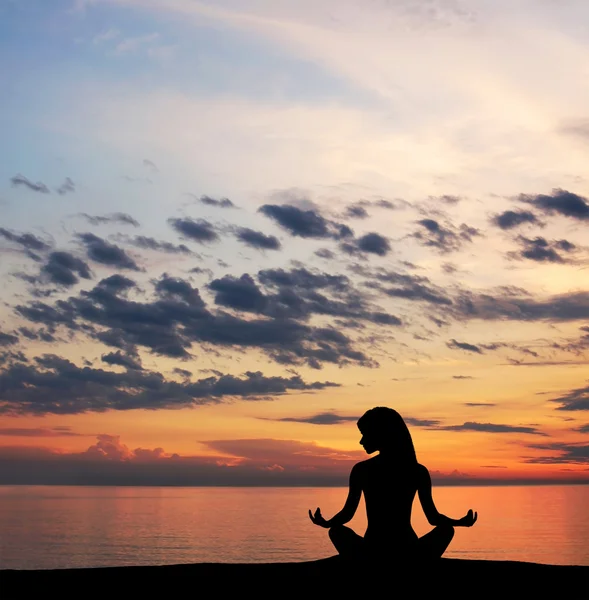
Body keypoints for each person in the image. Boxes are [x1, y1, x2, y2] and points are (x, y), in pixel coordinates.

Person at [309, 406, 477, 562]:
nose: (361, 441)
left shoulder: (362, 470)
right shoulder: (417, 471)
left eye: (365, 434)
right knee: (446, 530)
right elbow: (433, 519)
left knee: (337, 531)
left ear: (381, 434)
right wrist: (458, 522)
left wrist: (328, 523)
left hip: (372, 550)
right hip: (408, 550)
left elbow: (347, 514)